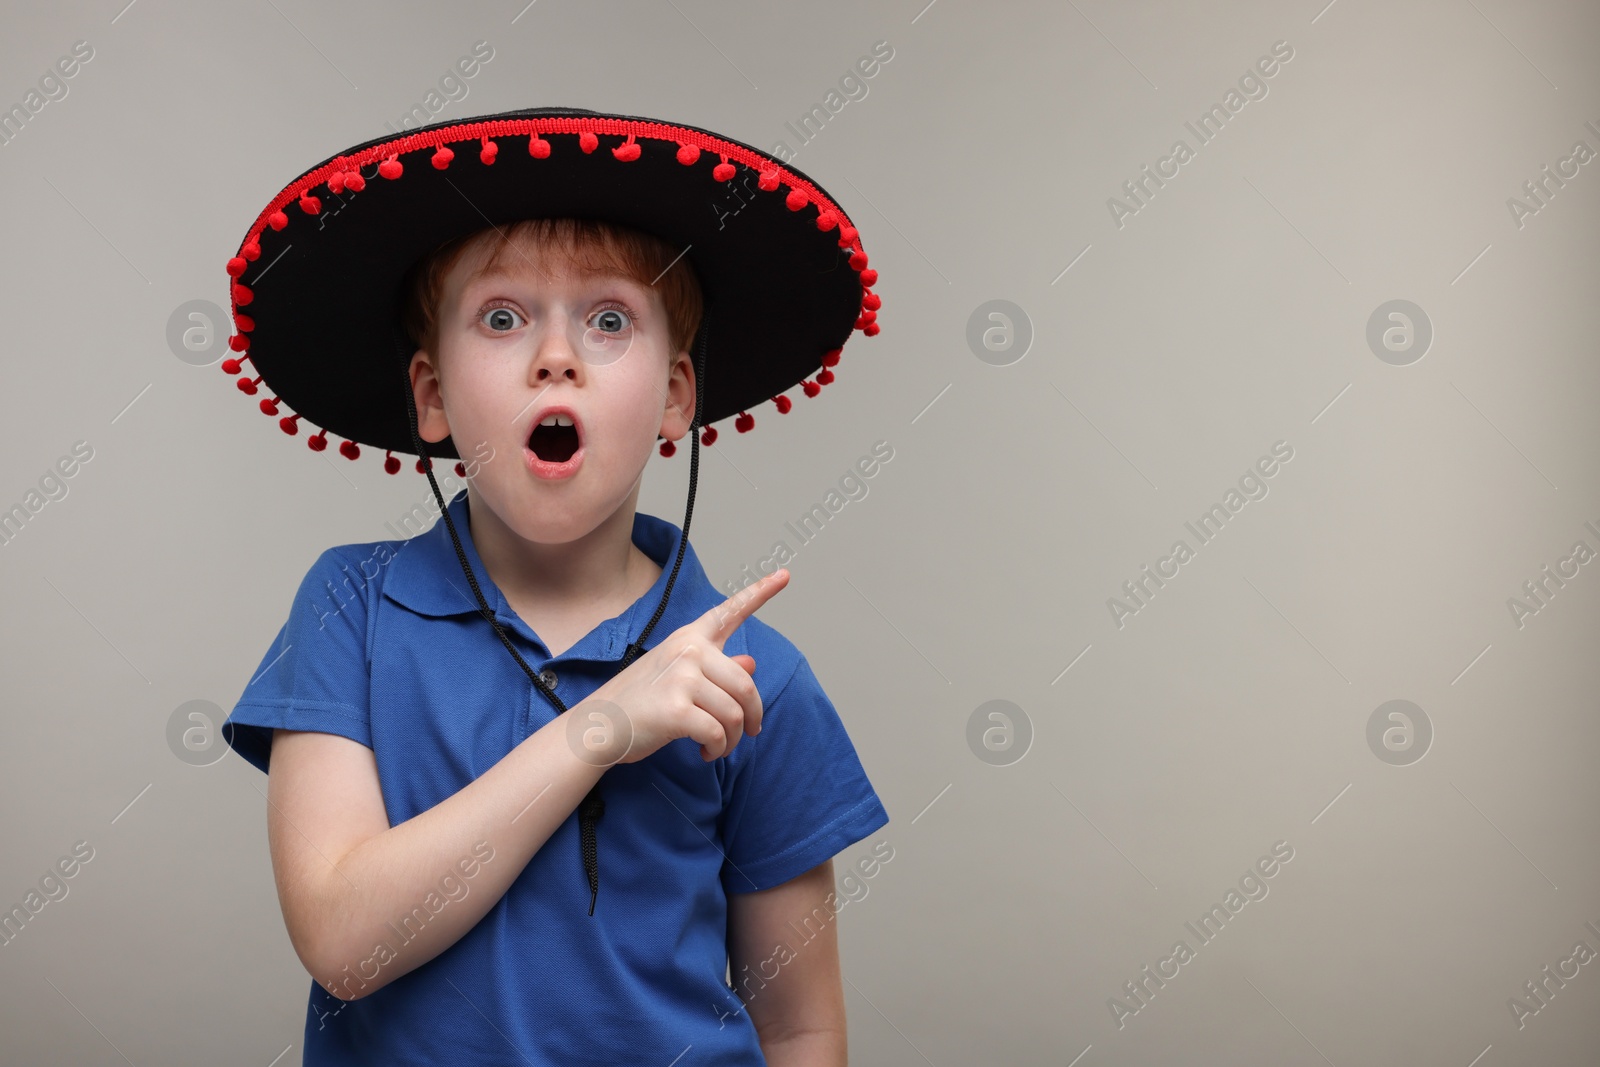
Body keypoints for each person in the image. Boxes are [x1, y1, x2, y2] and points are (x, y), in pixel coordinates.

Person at [218, 106, 889, 1065]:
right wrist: (602, 727)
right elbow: (342, 942)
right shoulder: (349, 609)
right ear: (434, 395)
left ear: (674, 397)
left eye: (610, 319)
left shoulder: (752, 677)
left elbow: (801, 1025)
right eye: (501, 317)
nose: (556, 355)